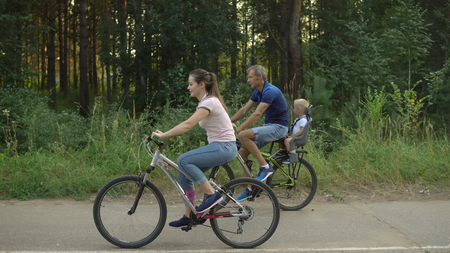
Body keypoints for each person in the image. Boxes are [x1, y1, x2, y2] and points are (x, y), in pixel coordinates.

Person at [151, 69, 237, 228]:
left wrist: (163, 135)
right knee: (184, 174)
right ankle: (189, 215)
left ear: (202, 84)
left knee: (183, 160)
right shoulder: (207, 101)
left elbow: (187, 125)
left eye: (191, 84)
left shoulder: (209, 101)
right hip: (221, 146)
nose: (188, 87)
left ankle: (212, 195)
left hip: (224, 147)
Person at [230, 65, 289, 200]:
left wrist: (239, 128)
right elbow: (245, 110)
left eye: (250, 77)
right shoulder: (258, 91)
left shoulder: (270, 91)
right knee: (242, 153)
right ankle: (250, 188)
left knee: (243, 135)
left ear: (259, 77)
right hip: (270, 126)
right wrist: (227, 122)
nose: (248, 80)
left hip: (279, 128)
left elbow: (257, 114)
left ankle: (265, 167)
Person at [281, 99, 311, 164]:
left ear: (299, 110)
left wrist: (291, 137)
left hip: (299, 139)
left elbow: (301, 131)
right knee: (284, 139)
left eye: (294, 108)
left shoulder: (303, 120)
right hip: (295, 137)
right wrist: (288, 134)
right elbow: (293, 128)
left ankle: (290, 156)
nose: (293, 110)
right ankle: (283, 154)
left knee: (287, 141)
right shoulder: (298, 119)